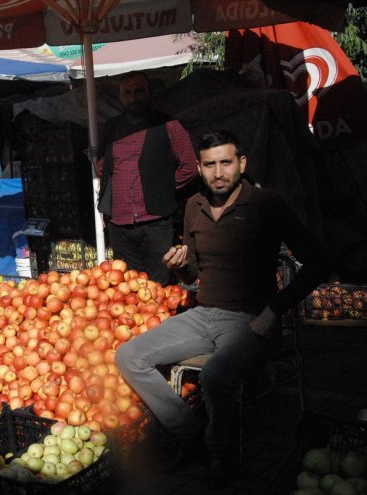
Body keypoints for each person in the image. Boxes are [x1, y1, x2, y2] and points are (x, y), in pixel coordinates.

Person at [115, 130, 331, 489]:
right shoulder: (193, 207)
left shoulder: (266, 204)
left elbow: (320, 263)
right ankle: (191, 433)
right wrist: (179, 266)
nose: (218, 173)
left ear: (241, 164)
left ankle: (221, 454)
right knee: (128, 355)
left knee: (215, 376)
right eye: (210, 164)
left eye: (226, 163)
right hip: (203, 314)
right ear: (199, 168)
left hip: (251, 320)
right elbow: (197, 272)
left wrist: (273, 311)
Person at [97, 71, 199, 285]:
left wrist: (163, 188)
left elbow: (190, 166)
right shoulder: (111, 127)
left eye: (139, 91)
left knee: (159, 285)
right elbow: (102, 166)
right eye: (128, 92)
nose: (134, 97)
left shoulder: (169, 124)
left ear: (149, 93)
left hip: (156, 221)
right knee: (126, 287)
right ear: (120, 96)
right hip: (120, 223)